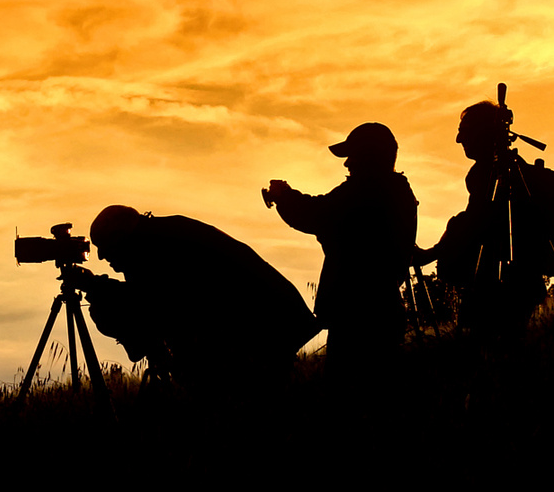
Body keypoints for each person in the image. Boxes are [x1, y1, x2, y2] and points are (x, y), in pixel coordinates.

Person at [78, 205, 319, 392]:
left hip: (256, 332)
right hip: (266, 325)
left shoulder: (157, 248)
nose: (102, 257)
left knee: (244, 412)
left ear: (122, 238)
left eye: (106, 247)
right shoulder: (161, 236)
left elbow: (156, 304)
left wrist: (97, 288)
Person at [263, 122, 419, 380]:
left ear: (369, 156)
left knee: (348, 401)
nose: (347, 164)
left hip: (357, 317)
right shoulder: (397, 191)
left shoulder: (365, 192)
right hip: (382, 312)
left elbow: (317, 214)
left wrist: (285, 196)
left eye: (352, 156)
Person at [416, 101, 554, 335]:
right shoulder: (513, 170)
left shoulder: (489, 175)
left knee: (489, 346)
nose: (459, 139)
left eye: (463, 131)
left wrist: (433, 253)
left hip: (498, 285)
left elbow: (475, 223)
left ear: (482, 133)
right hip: (523, 281)